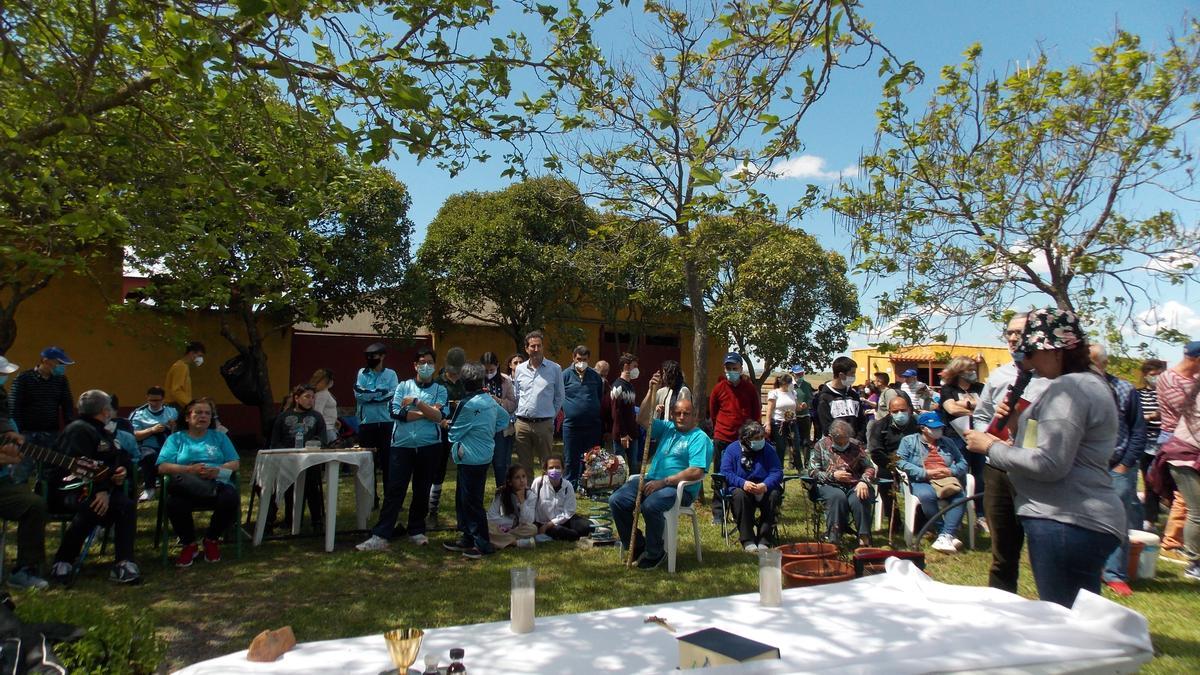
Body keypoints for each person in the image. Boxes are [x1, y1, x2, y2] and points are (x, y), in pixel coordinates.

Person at [965, 308, 1123, 608]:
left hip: (1066, 520)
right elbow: (1057, 447)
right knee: (1078, 619)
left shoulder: (1070, 388)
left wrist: (989, 447)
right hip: (1074, 518)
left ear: (1055, 350)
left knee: (1065, 622)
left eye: (1032, 351)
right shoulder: (1088, 383)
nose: (1029, 361)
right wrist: (1014, 425)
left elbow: (1049, 464)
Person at [971, 312, 1050, 593]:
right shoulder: (999, 375)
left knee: (1045, 553)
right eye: (1010, 333)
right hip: (997, 471)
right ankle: (1000, 611)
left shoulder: (1053, 379)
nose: (1015, 338)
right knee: (1002, 553)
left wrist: (1022, 442)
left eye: (1021, 332)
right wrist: (990, 438)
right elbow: (981, 415)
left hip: (1035, 471)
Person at [610, 371, 711, 570]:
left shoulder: (699, 438)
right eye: (678, 413)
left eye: (686, 414)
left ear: (695, 417)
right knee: (617, 500)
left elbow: (697, 472)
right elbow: (642, 419)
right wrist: (650, 390)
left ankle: (656, 553)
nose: (681, 417)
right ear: (672, 414)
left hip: (677, 489)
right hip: (650, 480)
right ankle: (638, 545)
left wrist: (665, 482)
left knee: (651, 505)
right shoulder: (668, 428)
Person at [357, 347, 446, 551]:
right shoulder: (403, 386)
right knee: (395, 489)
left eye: (430, 362)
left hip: (429, 445)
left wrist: (416, 404)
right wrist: (428, 412)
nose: (425, 366)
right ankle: (381, 534)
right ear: (414, 365)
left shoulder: (440, 389)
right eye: (421, 362)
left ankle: (416, 529)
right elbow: (397, 412)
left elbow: (441, 416)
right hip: (401, 446)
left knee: (422, 489)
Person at [48, 390, 139, 585]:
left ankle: (124, 563)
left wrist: (122, 470)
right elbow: (80, 466)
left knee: (126, 505)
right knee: (92, 506)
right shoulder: (78, 430)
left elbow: (118, 458)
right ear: (106, 411)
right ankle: (63, 561)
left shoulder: (103, 432)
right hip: (69, 491)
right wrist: (101, 490)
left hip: (102, 490)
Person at [1088, 345, 1147, 596]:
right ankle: (1089, 569)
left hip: (1118, 465)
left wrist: (1125, 464)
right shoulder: (1077, 389)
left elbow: (1138, 430)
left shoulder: (1125, 389)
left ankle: (1115, 574)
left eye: (1092, 363)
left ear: (1103, 364)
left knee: (1117, 521)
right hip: (1086, 466)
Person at [157, 398, 241, 567]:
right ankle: (189, 544)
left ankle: (211, 539)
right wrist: (189, 470)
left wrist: (217, 470)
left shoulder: (220, 437)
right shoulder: (176, 439)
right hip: (187, 485)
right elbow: (162, 466)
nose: (203, 416)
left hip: (216, 482)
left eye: (207, 413)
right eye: (198, 413)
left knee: (230, 497)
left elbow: (235, 463)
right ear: (188, 417)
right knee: (175, 502)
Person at [442, 362, 509, 559]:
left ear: (464, 382)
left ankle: (482, 542)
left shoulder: (467, 404)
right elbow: (504, 420)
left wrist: (444, 423)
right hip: (483, 453)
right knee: (464, 498)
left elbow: (454, 433)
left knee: (471, 501)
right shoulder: (488, 399)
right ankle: (467, 537)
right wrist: (485, 431)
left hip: (471, 456)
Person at [0, 355, 49, 590]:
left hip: (2, 483)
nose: (4, 379)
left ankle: (25, 569)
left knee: (34, 504)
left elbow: (17, 456)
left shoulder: (6, 419)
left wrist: (11, 450)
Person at [895, 412, 968, 554]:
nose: (938, 431)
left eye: (939, 427)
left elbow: (962, 463)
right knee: (927, 496)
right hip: (921, 480)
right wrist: (924, 473)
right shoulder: (909, 441)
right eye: (933, 428)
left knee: (960, 497)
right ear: (923, 428)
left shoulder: (948, 442)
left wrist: (950, 471)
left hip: (946, 480)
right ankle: (944, 532)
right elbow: (899, 461)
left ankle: (945, 535)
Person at [1155, 341, 1200, 564]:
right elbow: (1187, 409)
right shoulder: (1169, 378)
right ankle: (1171, 544)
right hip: (1176, 440)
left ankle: (1181, 543)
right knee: (1184, 499)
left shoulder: (1194, 379)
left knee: (1188, 500)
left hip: (1191, 440)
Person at [266, 384, 328, 533]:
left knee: (312, 486)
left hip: (309, 462)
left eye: (313, 397)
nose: (310, 400)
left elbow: (322, 438)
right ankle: (272, 522)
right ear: (296, 398)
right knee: (278, 487)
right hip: (285, 462)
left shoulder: (317, 417)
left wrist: (313, 444)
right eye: (307, 396)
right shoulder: (283, 417)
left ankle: (317, 521)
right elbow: (274, 442)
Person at [808, 419, 877, 545]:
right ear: (831, 437)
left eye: (846, 439)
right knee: (837, 497)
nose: (844, 443)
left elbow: (869, 467)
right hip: (829, 485)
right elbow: (812, 471)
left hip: (854, 484)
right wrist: (832, 475)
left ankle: (864, 537)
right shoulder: (820, 446)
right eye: (839, 441)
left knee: (860, 497)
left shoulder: (856, 445)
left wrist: (864, 481)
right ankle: (834, 538)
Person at [719, 421, 783, 552]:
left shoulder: (768, 449)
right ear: (746, 439)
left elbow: (777, 471)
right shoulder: (732, 449)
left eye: (762, 438)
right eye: (756, 439)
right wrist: (743, 483)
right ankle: (747, 540)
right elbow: (726, 472)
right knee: (739, 495)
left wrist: (765, 485)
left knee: (774, 495)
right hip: (741, 487)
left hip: (763, 487)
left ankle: (764, 540)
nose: (760, 441)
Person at [938, 356, 984, 522]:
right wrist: (975, 408)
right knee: (960, 473)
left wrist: (965, 405)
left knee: (980, 475)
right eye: (969, 369)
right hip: (955, 437)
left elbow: (988, 406)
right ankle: (958, 510)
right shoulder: (948, 389)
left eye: (974, 369)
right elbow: (950, 408)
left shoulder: (980, 387)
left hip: (979, 435)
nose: (973, 372)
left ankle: (980, 514)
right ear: (959, 371)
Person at [511, 330, 564, 473]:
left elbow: (560, 396)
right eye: (533, 346)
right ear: (527, 349)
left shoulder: (555, 368)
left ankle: (545, 493)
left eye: (539, 346)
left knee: (546, 464)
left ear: (542, 347)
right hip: (522, 424)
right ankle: (527, 494)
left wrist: (550, 416)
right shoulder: (520, 369)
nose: (536, 349)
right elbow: (516, 394)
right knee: (524, 465)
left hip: (544, 424)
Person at [354, 342, 399, 507]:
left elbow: (393, 395)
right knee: (368, 464)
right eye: (368, 356)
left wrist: (371, 395)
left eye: (374, 356)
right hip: (367, 424)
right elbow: (359, 395)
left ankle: (390, 499)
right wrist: (380, 393)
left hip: (387, 423)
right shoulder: (362, 373)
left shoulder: (391, 374)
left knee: (389, 463)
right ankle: (371, 499)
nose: (370, 359)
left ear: (382, 356)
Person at [867, 394, 918, 533]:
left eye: (903, 410)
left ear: (909, 409)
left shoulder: (917, 424)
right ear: (889, 412)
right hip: (889, 463)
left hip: (914, 463)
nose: (899, 414)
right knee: (885, 482)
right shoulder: (879, 426)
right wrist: (892, 465)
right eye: (895, 412)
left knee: (920, 481)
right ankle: (894, 520)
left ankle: (920, 521)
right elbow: (876, 451)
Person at [8, 346, 75, 448]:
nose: (62, 367)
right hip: (27, 433)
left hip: (52, 434)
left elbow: (68, 406)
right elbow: (14, 406)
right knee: (27, 462)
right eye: (59, 363)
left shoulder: (61, 380)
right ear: (46, 361)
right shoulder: (24, 378)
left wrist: (70, 430)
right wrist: (18, 432)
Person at [429, 347, 467, 527]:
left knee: (464, 470)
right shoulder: (437, 383)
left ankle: (463, 510)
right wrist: (442, 420)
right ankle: (432, 511)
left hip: (462, 431)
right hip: (441, 431)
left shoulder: (465, 383)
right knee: (438, 471)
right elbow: (432, 407)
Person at [562, 346, 603, 487]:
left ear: (588, 360)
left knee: (591, 458)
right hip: (571, 426)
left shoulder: (595, 376)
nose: (581, 362)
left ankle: (588, 486)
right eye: (579, 359)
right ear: (573, 358)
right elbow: (559, 397)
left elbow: (599, 395)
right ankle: (569, 486)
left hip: (592, 426)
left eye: (584, 359)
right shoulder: (565, 375)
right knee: (570, 459)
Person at [129, 386, 177, 502]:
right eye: (151, 400)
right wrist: (151, 430)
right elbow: (134, 435)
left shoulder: (172, 412)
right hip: (147, 446)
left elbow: (180, 432)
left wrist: (173, 427)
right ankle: (149, 488)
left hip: (168, 445)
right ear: (147, 399)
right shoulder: (139, 414)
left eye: (157, 400)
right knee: (149, 456)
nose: (154, 403)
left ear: (163, 399)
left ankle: (176, 487)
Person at [529, 457, 591, 541]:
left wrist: (550, 524)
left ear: (563, 469)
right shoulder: (538, 483)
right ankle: (574, 535)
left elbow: (569, 511)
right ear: (545, 470)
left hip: (564, 520)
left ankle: (574, 534)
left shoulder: (567, 485)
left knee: (587, 527)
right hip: (543, 522)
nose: (554, 470)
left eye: (558, 467)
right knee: (559, 531)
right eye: (551, 468)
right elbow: (531, 504)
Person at [1137, 359, 1167, 530]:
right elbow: (1136, 417)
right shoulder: (1138, 394)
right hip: (1144, 442)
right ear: (1145, 375)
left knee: (1161, 481)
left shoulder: (1166, 394)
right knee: (1149, 482)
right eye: (1152, 375)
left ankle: (1156, 514)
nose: (1155, 378)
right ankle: (1150, 518)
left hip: (1163, 442)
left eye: (1159, 374)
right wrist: (1150, 417)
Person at [483, 352, 518, 487]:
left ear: (497, 366)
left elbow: (513, 404)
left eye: (491, 370)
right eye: (485, 370)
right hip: (483, 428)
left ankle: (503, 495)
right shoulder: (477, 379)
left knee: (501, 464)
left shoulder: (505, 380)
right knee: (481, 464)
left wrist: (498, 401)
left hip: (501, 429)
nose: (488, 373)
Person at [487, 465, 539, 549]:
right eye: (517, 478)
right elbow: (491, 516)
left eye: (523, 476)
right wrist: (511, 523)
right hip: (501, 527)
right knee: (486, 525)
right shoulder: (502, 494)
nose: (522, 480)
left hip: (519, 528)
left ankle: (496, 540)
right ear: (510, 481)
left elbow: (528, 520)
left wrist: (522, 502)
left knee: (533, 529)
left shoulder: (531, 495)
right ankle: (517, 543)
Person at [815, 356, 864, 441]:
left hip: (855, 445)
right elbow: (826, 426)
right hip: (835, 445)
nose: (854, 376)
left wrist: (858, 439)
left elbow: (862, 420)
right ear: (841, 375)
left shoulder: (854, 396)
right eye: (852, 373)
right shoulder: (824, 397)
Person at [610, 353, 641, 471]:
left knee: (633, 466)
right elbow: (616, 413)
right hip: (621, 436)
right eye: (635, 366)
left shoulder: (631, 387)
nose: (637, 369)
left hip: (633, 433)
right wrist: (623, 434)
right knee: (620, 468)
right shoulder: (617, 386)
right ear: (626, 366)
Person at [765, 374, 797, 469]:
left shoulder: (793, 393)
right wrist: (768, 423)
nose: (792, 385)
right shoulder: (774, 393)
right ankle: (779, 468)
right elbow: (769, 409)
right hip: (778, 424)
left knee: (795, 445)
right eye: (790, 383)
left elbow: (796, 407)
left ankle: (799, 467)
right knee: (781, 447)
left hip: (792, 422)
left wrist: (801, 406)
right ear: (784, 383)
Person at [164, 342, 205, 412]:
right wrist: (190, 404)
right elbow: (177, 390)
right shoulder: (181, 366)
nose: (200, 358)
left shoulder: (183, 366)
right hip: (176, 406)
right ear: (192, 353)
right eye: (199, 355)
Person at [790, 365, 814, 467]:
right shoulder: (790, 386)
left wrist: (806, 404)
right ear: (793, 374)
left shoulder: (807, 385)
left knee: (806, 441)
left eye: (802, 373)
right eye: (798, 374)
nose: (800, 375)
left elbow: (810, 399)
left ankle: (807, 462)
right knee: (793, 440)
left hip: (805, 416)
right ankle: (793, 462)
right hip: (793, 417)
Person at [310, 368, 339, 444]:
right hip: (327, 429)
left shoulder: (325, 392)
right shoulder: (322, 394)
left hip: (330, 427)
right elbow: (318, 413)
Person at [596, 359, 613, 445]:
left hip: (600, 425)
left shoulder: (607, 386)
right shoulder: (589, 384)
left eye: (605, 375)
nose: (602, 378)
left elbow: (609, 409)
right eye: (600, 375)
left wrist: (609, 430)